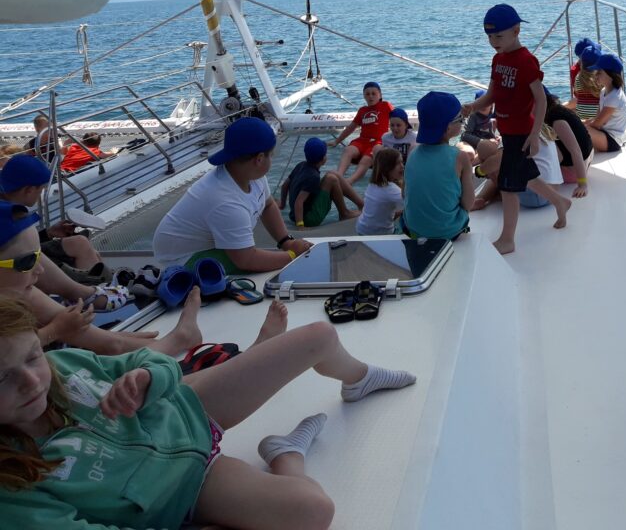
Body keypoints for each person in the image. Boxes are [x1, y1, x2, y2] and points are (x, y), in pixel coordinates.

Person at [0, 293, 416, 529]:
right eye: (3, 378)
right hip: (187, 489)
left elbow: (154, 362)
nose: (34, 381)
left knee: (319, 336)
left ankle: (358, 379)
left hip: (181, 407)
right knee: (312, 510)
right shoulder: (10, 485)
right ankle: (286, 453)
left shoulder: (65, 365)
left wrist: (146, 378)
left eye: (34, 356)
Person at [0, 200, 202, 355]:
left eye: (40, 257)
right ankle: (179, 340)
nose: (41, 271)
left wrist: (109, 337)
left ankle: (174, 339)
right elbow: (10, 358)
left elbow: (107, 344)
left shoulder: (23, 290)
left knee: (105, 343)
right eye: (26, 262)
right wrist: (55, 330)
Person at [461, 4, 571, 255]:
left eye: (498, 36)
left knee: (508, 187)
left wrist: (534, 135)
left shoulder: (526, 61)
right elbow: (492, 95)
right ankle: (560, 202)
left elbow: (541, 99)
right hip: (507, 131)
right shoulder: (498, 60)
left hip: (521, 133)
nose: (493, 41)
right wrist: (473, 106)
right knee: (528, 177)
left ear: (516, 30)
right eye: (489, 36)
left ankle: (507, 239)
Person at [153, 117, 313, 276]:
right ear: (259, 159)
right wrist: (292, 256)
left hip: (209, 245)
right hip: (183, 259)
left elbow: (268, 206)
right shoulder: (225, 201)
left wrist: (286, 242)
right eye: (271, 155)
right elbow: (246, 260)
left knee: (260, 257)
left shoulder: (251, 176)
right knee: (256, 266)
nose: (272, 158)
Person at [0, 153, 112, 287]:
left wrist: (49, 233)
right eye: (41, 190)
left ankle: (100, 289)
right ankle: (95, 293)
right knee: (81, 244)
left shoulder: (7, 206)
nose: (40, 195)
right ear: (29, 189)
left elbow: (14, 242)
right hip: (20, 264)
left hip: (20, 258)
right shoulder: (9, 213)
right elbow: (20, 248)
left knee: (86, 247)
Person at [400, 92, 474, 241]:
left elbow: (404, 194)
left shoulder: (412, 151)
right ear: (447, 128)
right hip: (448, 233)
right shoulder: (460, 157)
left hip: (414, 230)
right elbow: (468, 203)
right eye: (460, 118)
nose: (462, 121)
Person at [279, 137, 362, 229]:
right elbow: (299, 201)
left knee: (333, 173)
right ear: (323, 159)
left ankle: (361, 205)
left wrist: (282, 204)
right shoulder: (313, 177)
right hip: (308, 219)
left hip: (295, 215)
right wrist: (300, 225)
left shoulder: (300, 165)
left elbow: (284, 185)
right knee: (331, 179)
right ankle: (344, 213)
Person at [330, 81, 394, 183]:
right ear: (364, 96)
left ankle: (349, 181)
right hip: (362, 141)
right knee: (348, 150)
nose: (371, 96)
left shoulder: (386, 106)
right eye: (367, 94)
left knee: (366, 160)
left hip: (377, 142)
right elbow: (351, 127)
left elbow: (397, 118)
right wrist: (337, 141)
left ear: (380, 95)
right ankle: (339, 176)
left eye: (374, 93)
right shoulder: (362, 110)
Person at [544, 88, 593, 197]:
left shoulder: (557, 121)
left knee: (541, 143)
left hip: (573, 172)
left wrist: (582, 185)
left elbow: (576, 152)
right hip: (587, 160)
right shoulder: (559, 110)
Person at [584, 52, 626, 153]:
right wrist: (581, 122)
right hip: (603, 134)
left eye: (599, 72)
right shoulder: (603, 92)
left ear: (610, 75)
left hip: (613, 141)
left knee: (581, 130)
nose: (596, 75)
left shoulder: (614, 97)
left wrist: (580, 126)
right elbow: (597, 119)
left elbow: (597, 124)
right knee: (576, 124)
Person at [356, 147, 405, 235]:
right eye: (398, 163)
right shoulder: (391, 190)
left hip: (362, 229)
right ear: (388, 167)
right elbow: (413, 207)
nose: (402, 166)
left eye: (402, 162)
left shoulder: (373, 183)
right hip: (380, 234)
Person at [459, 90, 499, 163]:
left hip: (485, 144)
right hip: (471, 142)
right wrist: (482, 141)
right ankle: (469, 165)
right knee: (469, 153)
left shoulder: (494, 115)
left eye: (486, 103)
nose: (483, 106)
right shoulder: (473, 116)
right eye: (480, 103)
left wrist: (498, 138)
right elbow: (465, 135)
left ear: (492, 104)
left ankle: (472, 164)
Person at [568, 44, 603, 121]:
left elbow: (577, 96)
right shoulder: (601, 78)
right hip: (598, 117)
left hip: (582, 116)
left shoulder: (578, 78)